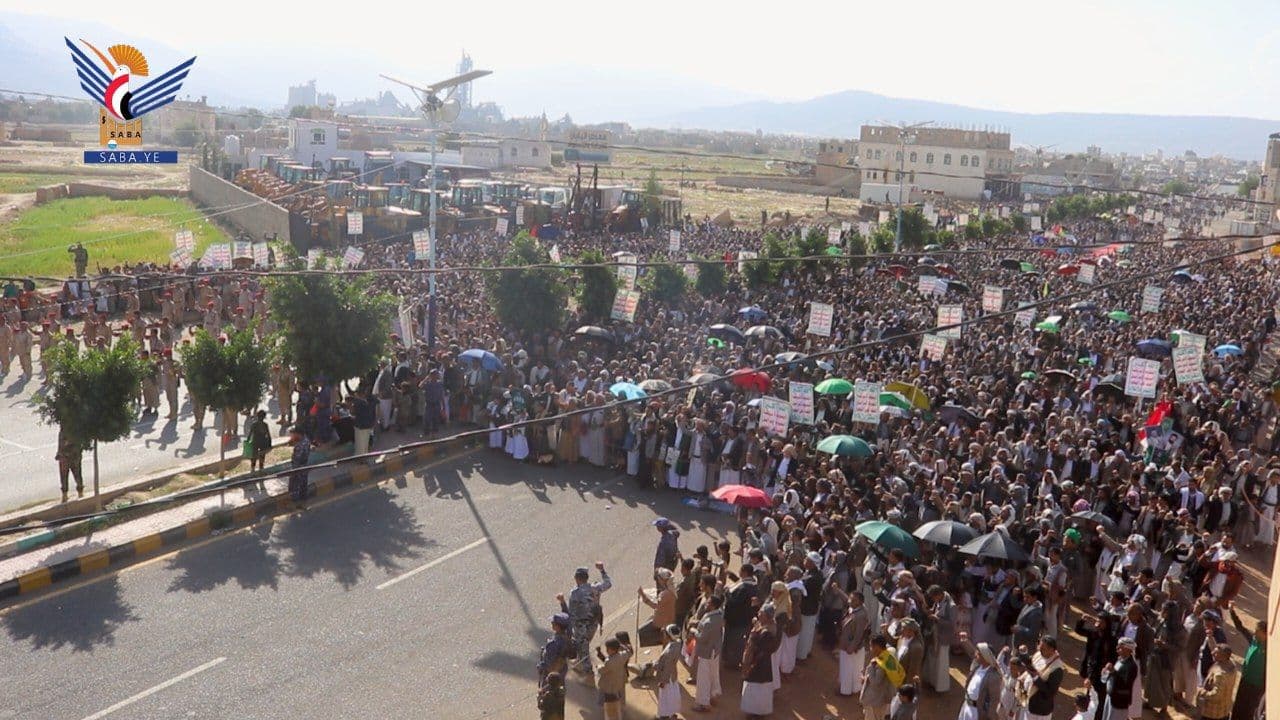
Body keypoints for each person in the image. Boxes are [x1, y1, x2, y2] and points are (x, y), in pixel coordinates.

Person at [558, 562, 611, 676]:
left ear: (577, 578)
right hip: (594, 623)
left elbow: (571, 614)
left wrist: (562, 602)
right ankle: (579, 662)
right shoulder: (595, 588)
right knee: (584, 644)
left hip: (581, 626)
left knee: (583, 647)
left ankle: (588, 672)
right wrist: (602, 570)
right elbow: (608, 583)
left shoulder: (575, 593)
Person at [741, 603, 779, 719]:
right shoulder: (764, 626)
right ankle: (753, 711)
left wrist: (751, 664)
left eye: (761, 613)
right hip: (758, 664)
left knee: (758, 688)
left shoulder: (767, 632)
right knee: (754, 688)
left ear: (767, 616)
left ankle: (758, 713)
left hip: (759, 665)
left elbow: (761, 650)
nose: (758, 614)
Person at [1227, 604, 1265, 720]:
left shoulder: (1269, 649)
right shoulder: (1254, 640)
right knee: (1238, 705)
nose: (1254, 632)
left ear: (1264, 633)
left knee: (1249, 711)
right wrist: (1232, 612)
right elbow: (1241, 628)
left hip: (1257, 687)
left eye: (1257, 631)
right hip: (1245, 680)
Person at [690, 592, 724, 711]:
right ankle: (714, 695)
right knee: (714, 674)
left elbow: (702, 638)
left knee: (703, 678)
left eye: (708, 603)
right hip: (715, 651)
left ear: (713, 605)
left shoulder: (710, 621)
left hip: (706, 652)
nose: (706, 604)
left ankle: (703, 703)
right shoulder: (719, 614)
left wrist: (694, 631)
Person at [956, 632, 1002, 720]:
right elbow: (972, 652)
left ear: (985, 656)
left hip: (977, 712)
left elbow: (994, 700)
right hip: (966, 707)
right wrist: (966, 641)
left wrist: (990, 716)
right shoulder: (977, 666)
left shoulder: (993, 676)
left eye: (979, 653)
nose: (976, 654)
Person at [863, 633, 900, 720]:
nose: (870, 649)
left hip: (875, 699)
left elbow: (876, 682)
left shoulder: (881, 663)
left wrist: (870, 670)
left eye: (871, 646)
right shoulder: (890, 653)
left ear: (877, 647)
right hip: (882, 697)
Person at [1101, 637, 1140, 720]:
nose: (1117, 648)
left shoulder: (1132, 666)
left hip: (1119, 703)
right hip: (1111, 698)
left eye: (1120, 646)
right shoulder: (1119, 659)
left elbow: (1125, 685)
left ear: (1128, 649)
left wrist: (1113, 672)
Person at [1197, 644, 1239, 720]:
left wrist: (1200, 691)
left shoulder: (1220, 675)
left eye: (1216, 653)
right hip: (1224, 709)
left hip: (1213, 714)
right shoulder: (1231, 664)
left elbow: (1216, 696)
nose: (1212, 653)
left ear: (1223, 656)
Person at [595, 636, 632, 720]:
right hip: (618, 682)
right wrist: (620, 646)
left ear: (613, 649)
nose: (607, 650)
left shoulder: (609, 662)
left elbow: (602, 670)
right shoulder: (622, 655)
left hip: (608, 685)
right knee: (617, 700)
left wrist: (598, 667)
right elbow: (629, 652)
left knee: (609, 705)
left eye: (608, 649)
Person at [654, 623, 682, 720]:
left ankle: (665, 715)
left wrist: (663, 680)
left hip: (667, 676)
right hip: (673, 674)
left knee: (665, 696)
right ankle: (672, 713)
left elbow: (666, 667)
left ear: (668, 636)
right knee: (673, 694)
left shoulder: (670, 650)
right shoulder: (677, 643)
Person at [537, 613, 572, 689]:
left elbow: (548, 662)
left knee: (546, 688)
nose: (552, 624)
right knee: (560, 686)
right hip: (562, 667)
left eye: (553, 623)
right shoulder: (567, 636)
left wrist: (540, 667)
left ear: (558, 626)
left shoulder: (553, 644)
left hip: (551, 671)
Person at [54, 425, 84, 502]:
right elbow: (60, 444)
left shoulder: (75, 431)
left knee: (77, 475)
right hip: (65, 457)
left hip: (73, 457)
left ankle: (80, 492)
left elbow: (77, 444)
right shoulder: (63, 431)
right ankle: (65, 495)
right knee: (64, 477)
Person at [287, 426, 312, 503]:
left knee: (295, 485)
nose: (292, 436)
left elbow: (297, 458)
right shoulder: (306, 440)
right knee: (303, 484)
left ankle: (295, 501)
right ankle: (304, 499)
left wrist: (293, 470)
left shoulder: (300, 445)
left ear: (298, 434)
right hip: (305, 466)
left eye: (293, 434)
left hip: (298, 468)